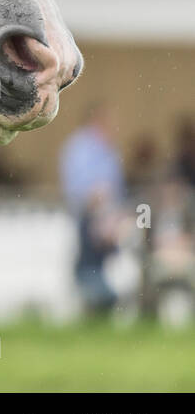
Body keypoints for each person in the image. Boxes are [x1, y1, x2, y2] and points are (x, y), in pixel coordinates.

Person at [58, 103, 124, 315]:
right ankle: (96, 299)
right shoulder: (80, 147)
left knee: (100, 263)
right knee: (88, 264)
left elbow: (115, 187)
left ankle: (101, 301)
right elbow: (78, 188)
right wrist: (97, 203)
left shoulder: (107, 148)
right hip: (87, 218)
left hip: (106, 219)